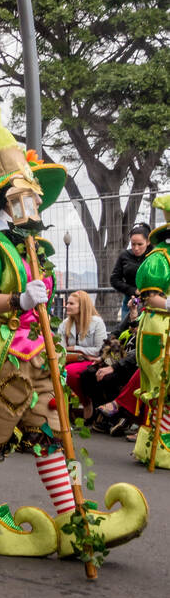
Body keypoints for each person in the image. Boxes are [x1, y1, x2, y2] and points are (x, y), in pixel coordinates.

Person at [0, 106, 147, 558]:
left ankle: (74, 516)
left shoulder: (29, 243)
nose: (34, 209)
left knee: (52, 432)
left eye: (34, 201)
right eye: (25, 200)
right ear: (4, 202)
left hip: (34, 356)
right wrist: (19, 301)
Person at [132, 196, 170, 468]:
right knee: (164, 392)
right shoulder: (160, 259)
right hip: (161, 332)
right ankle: (160, 448)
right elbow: (153, 300)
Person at [61, 290, 107, 417]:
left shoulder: (97, 322)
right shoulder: (65, 324)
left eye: (71, 304)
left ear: (82, 306)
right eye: (67, 303)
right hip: (70, 359)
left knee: (69, 372)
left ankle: (85, 402)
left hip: (92, 360)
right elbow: (61, 348)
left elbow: (99, 349)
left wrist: (75, 348)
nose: (67, 306)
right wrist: (71, 350)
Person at [110, 224, 151, 318]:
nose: (136, 248)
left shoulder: (155, 256)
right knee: (127, 331)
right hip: (130, 301)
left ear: (148, 242)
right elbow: (114, 279)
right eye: (133, 244)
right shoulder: (124, 255)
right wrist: (133, 290)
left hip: (152, 301)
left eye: (140, 244)